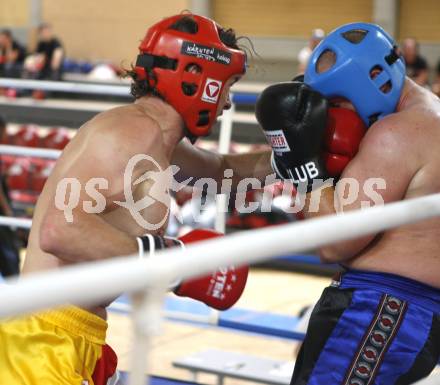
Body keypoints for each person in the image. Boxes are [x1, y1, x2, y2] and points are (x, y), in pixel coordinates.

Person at [0, 14, 260, 384]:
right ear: (199, 79)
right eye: (227, 85)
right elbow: (59, 229)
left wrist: (289, 156)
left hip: (74, 335)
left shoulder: (157, 140)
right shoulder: (131, 133)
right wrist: (168, 261)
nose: (229, 102)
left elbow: (221, 171)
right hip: (43, 339)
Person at [257, 22, 440, 384]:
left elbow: (334, 242)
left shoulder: (395, 135)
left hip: (380, 309)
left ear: (371, 82)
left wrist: (304, 165)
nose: (336, 112)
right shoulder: (429, 114)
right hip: (407, 315)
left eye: (338, 101)